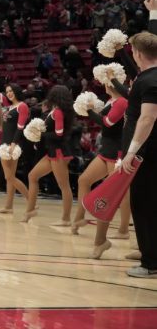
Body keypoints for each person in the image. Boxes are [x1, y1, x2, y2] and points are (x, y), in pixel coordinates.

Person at [73, 76, 128, 258]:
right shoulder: (112, 101)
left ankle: (113, 234)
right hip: (106, 151)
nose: (102, 83)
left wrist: (89, 111)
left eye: (105, 80)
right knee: (84, 180)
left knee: (111, 197)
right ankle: (80, 217)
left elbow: (107, 123)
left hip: (117, 153)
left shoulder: (121, 102)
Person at [118, 32, 157, 277]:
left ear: (138, 54)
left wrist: (131, 152)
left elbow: (148, 117)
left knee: (143, 205)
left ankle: (150, 263)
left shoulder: (148, 80)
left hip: (147, 154)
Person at [23, 86, 75, 225]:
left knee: (64, 186)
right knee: (32, 176)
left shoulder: (58, 112)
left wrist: (40, 134)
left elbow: (58, 134)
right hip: (52, 152)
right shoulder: (57, 111)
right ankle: (30, 211)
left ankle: (66, 219)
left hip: (58, 152)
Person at [0, 84, 30, 213]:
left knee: (9, 177)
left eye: (11, 91)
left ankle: (31, 201)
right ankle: (9, 207)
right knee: (9, 177)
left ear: (16, 91)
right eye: (7, 92)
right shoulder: (9, 107)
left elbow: (20, 128)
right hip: (5, 143)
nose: (9, 93)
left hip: (11, 144)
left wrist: (13, 144)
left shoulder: (22, 106)